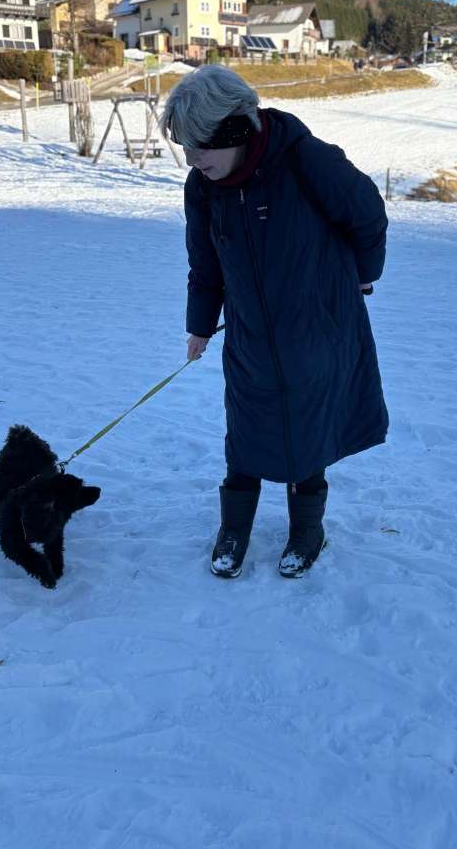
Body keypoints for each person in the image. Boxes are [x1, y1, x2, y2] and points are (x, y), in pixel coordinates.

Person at [159, 65, 388, 579]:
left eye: (201, 146)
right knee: (245, 431)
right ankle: (233, 529)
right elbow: (205, 261)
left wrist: (362, 276)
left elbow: (368, 214)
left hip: (318, 327)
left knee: (306, 431)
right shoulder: (205, 186)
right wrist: (200, 325)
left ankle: (307, 530)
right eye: (186, 149)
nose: (193, 161)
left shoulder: (306, 159)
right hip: (250, 333)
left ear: (237, 130)